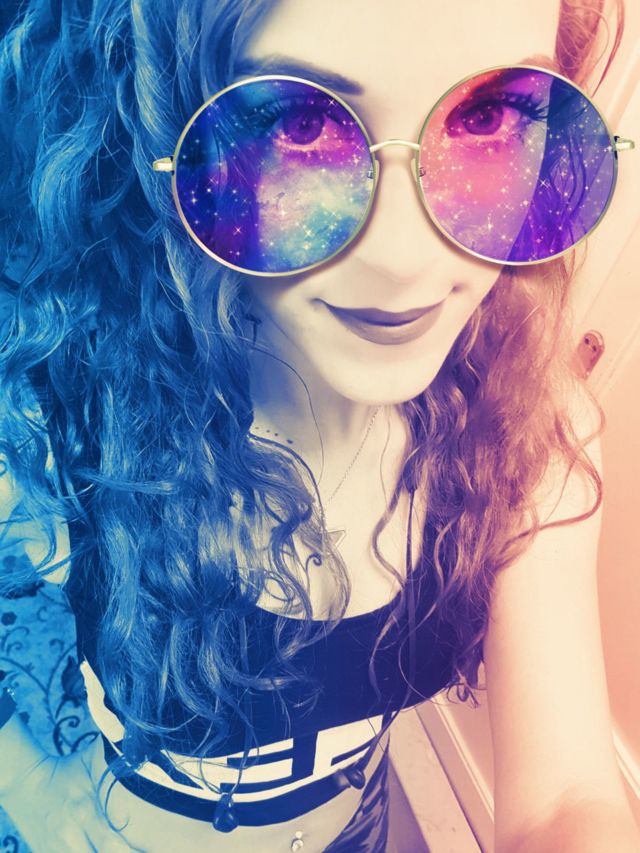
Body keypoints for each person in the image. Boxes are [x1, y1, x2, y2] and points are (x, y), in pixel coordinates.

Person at [0, 0, 639, 851]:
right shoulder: (66, 403)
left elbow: (563, 797)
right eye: (298, 124)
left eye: (487, 116)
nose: (408, 259)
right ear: (161, 113)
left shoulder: (531, 422)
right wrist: (24, 784)